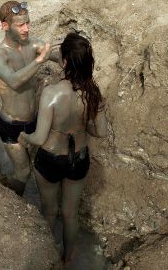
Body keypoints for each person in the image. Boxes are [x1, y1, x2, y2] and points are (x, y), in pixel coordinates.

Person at [18, 32, 109, 265]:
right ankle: (68, 259)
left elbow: (39, 138)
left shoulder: (51, 93)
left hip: (50, 159)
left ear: (65, 61)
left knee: (49, 211)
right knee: (70, 214)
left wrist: (24, 136)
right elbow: (101, 132)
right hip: (78, 159)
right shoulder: (93, 93)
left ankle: (46, 261)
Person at [0, 1, 61, 196]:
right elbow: (13, 81)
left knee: (44, 166)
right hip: (11, 124)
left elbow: (57, 56)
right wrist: (40, 60)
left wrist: (70, 52)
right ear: (5, 26)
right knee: (23, 172)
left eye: (28, 23)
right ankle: (13, 204)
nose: (26, 29)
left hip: (35, 120)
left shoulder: (33, 44)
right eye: (20, 25)